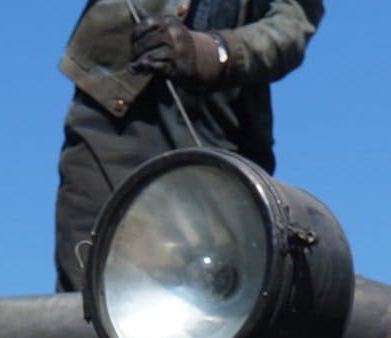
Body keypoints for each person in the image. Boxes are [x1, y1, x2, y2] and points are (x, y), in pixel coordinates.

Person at [54, 0, 325, 293]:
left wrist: (209, 52)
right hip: (113, 111)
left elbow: (289, 28)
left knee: (213, 301)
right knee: (87, 289)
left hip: (219, 130)